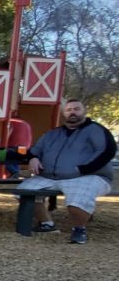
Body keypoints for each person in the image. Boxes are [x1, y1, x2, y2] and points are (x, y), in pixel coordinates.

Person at [18, 99, 116, 244]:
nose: (72, 112)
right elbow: (35, 150)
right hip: (50, 177)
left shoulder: (96, 130)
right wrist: (32, 158)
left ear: (84, 111)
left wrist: (84, 169)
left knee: (77, 202)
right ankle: (47, 224)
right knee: (24, 192)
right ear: (63, 113)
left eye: (76, 109)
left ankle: (79, 229)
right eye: (68, 110)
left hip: (88, 175)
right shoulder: (53, 134)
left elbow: (107, 150)